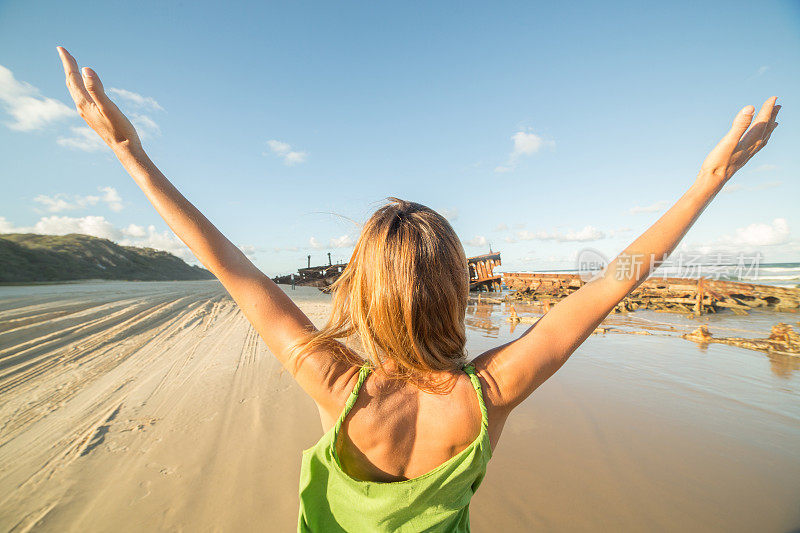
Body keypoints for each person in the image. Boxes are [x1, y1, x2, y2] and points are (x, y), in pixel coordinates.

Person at [56, 47, 779, 532]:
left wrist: (130, 154)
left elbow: (230, 266)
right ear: (457, 291)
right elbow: (610, 285)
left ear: (362, 292)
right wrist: (708, 183)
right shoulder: (489, 393)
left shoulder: (335, 382)